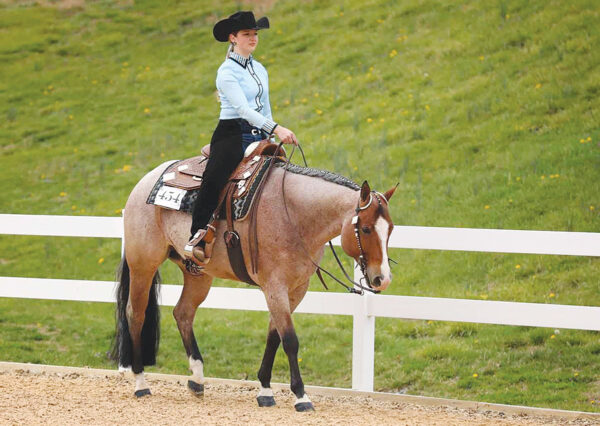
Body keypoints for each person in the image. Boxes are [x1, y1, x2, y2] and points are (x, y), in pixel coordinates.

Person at [184, 11, 297, 264]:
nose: (253, 38)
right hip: (232, 133)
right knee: (214, 178)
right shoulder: (226, 72)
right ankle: (197, 235)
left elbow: (265, 106)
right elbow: (244, 110)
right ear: (233, 38)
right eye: (247, 34)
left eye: (255, 34)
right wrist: (278, 128)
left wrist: (271, 134)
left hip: (259, 133)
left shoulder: (260, 69)